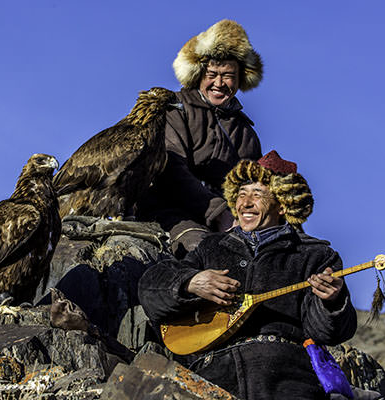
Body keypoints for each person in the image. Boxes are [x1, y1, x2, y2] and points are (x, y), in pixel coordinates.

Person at [138, 151, 358, 399]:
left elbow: (330, 333)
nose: (246, 203)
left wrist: (332, 301)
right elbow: (150, 288)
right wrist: (190, 282)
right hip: (213, 376)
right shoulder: (212, 248)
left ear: (283, 205)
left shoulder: (315, 255)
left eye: (258, 194)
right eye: (241, 194)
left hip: (286, 381)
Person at [137, 19, 263, 257]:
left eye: (228, 76)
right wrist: (218, 212)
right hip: (171, 211)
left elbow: (254, 186)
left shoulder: (246, 132)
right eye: (212, 74)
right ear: (197, 74)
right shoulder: (175, 109)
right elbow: (171, 170)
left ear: (240, 79)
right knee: (205, 253)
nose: (219, 83)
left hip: (228, 216)